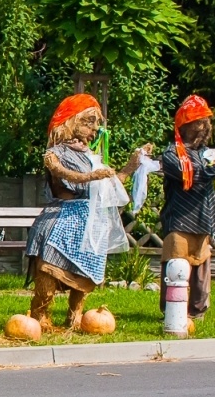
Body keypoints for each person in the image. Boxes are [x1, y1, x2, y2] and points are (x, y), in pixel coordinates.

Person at [25, 94, 151, 328]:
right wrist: (89, 177)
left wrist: (132, 165)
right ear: (71, 121)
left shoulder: (91, 157)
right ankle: (40, 314)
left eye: (96, 123)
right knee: (49, 268)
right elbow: (59, 171)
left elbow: (112, 183)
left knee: (85, 273)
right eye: (89, 122)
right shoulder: (56, 152)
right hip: (62, 216)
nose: (95, 128)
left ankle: (75, 316)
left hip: (89, 220)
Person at [159, 95, 215, 322]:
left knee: (200, 273)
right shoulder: (171, 155)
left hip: (203, 219)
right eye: (197, 123)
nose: (202, 127)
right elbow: (196, 176)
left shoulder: (206, 154)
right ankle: (172, 311)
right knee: (176, 267)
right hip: (179, 220)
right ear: (185, 126)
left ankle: (197, 314)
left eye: (204, 123)